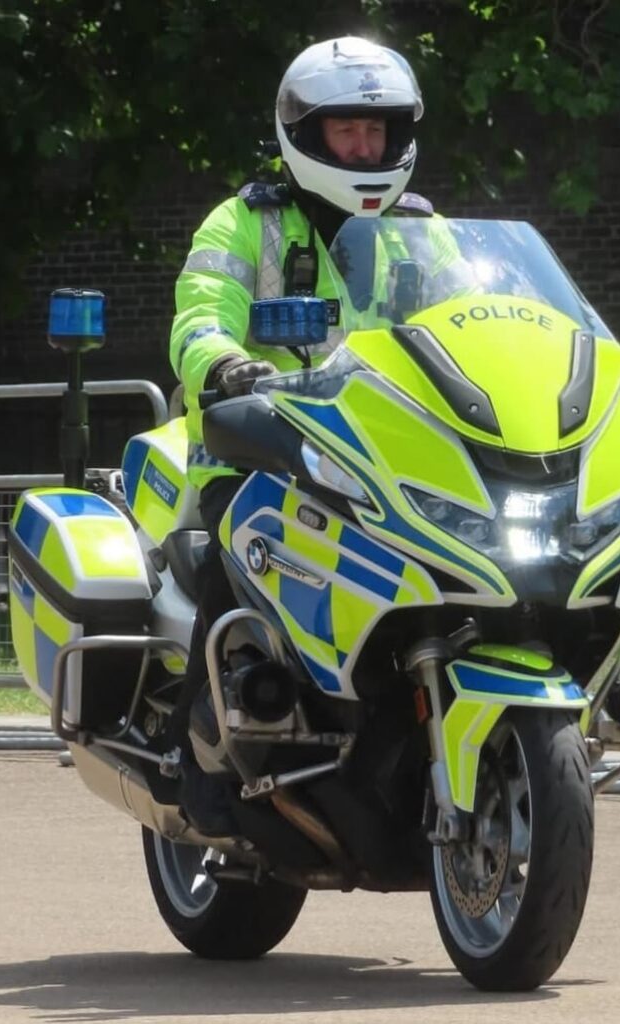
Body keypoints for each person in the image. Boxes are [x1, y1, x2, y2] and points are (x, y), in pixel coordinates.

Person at [166, 36, 433, 826]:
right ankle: (202, 760)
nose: (365, 147)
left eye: (377, 132)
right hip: (259, 451)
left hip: (381, 462)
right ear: (308, 136)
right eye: (348, 131)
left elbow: (482, 321)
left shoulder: (423, 232)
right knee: (237, 564)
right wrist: (225, 366)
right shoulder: (244, 223)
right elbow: (197, 317)